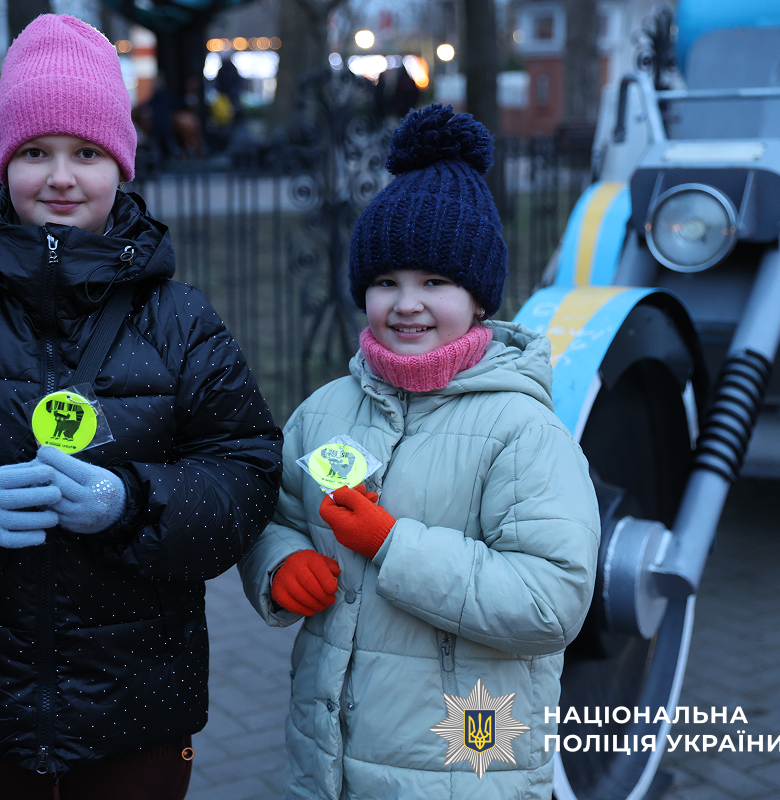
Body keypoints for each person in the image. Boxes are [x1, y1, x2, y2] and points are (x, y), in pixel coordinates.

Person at [0, 14, 282, 800]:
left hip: (138, 703)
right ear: (3, 163)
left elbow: (246, 471)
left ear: (121, 165)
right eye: (35, 152)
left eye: (86, 153)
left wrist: (132, 503)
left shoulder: (181, 321)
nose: (61, 177)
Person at [239, 104, 599, 800]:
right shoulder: (325, 412)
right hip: (329, 761)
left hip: (465, 765)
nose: (407, 304)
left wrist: (392, 544)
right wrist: (278, 564)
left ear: (479, 298)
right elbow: (271, 513)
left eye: (435, 282)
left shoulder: (522, 431)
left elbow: (551, 602)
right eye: (386, 282)